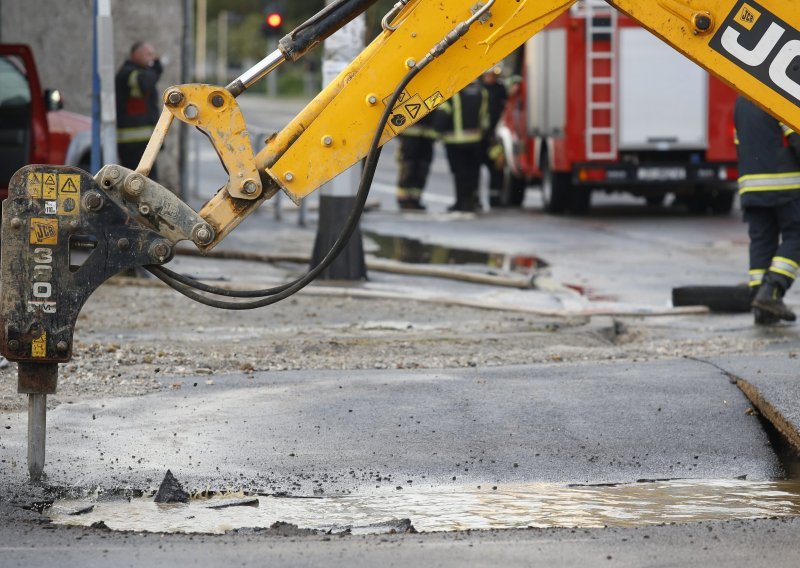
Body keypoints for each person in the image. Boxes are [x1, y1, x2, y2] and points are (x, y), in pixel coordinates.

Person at [734, 96, 800, 325]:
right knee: (797, 236)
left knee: (762, 242)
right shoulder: (781, 92)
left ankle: (761, 308)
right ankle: (771, 292)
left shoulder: (741, 99)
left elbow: (739, 141)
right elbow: (796, 137)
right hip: (785, 184)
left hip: (751, 184)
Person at [435, 80, 489, 213]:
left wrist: (437, 132)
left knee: (460, 173)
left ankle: (460, 203)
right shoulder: (481, 92)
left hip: (454, 141)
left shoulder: (452, 92)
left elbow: (443, 114)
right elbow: (485, 118)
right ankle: (472, 201)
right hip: (475, 139)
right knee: (473, 173)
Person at [115, 41, 163, 179]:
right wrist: (157, 69)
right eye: (148, 55)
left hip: (144, 142)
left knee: (150, 183)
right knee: (135, 182)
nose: (152, 59)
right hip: (132, 143)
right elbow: (144, 82)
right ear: (136, 54)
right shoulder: (128, 73)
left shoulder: (141, 72)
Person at [395, 112, 438, 210]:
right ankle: (404, 200)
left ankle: (415, 200)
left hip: (427, 138)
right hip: (410, 139)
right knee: (408, 168)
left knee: (422, 169)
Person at [481, 66, 509, 208]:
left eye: (493, 75)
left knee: (497, 168)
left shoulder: (501, 89)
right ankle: (474, 199)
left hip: (495, 137)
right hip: (480, 137)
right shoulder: (479, 89)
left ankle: (495, 199)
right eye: (488, 75)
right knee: (474, 170)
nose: (490, 78)